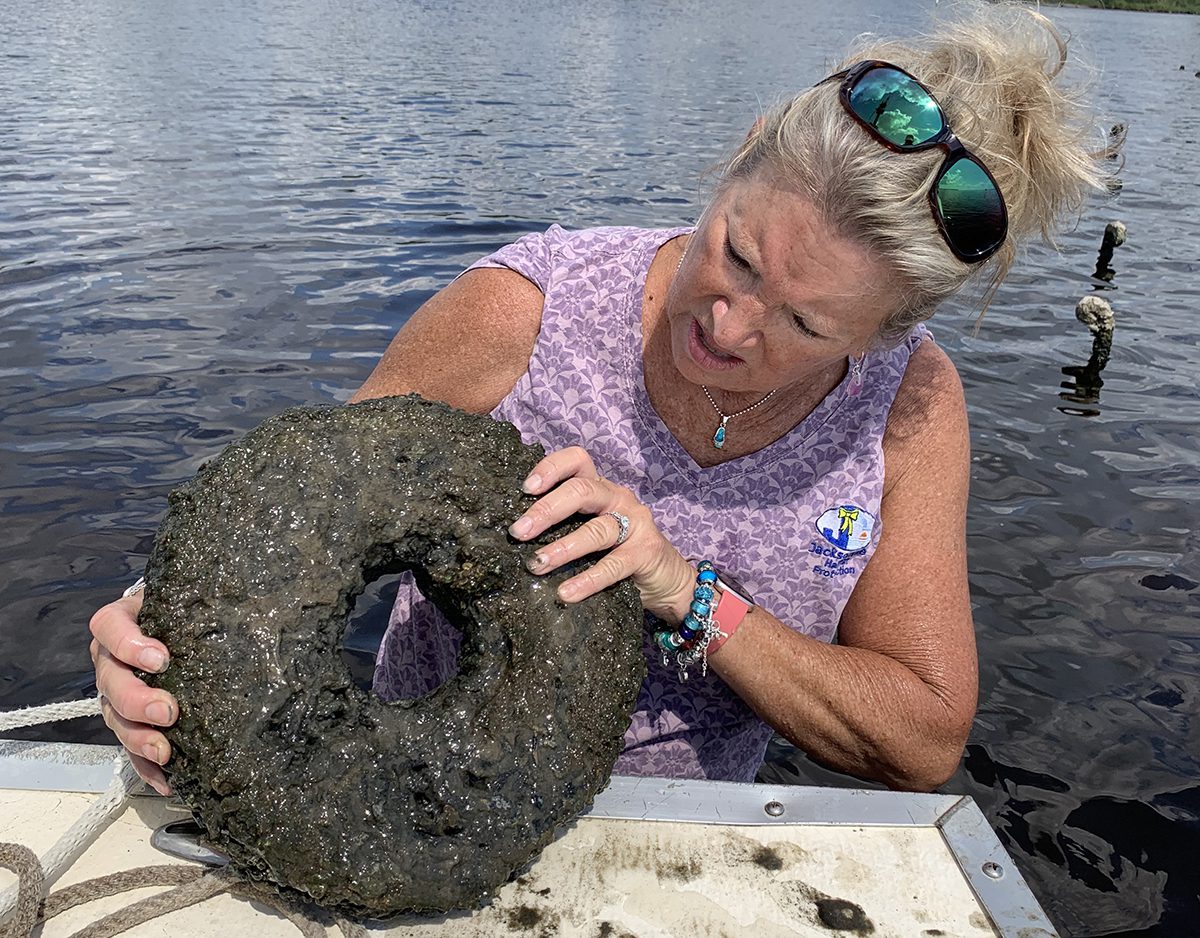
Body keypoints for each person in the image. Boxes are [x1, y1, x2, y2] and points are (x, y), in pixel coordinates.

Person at [89, 5, 1110, 797]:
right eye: (736, 252)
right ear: (740, 156)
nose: (731, 326)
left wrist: (682, 589)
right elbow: (293, 524)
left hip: (686, 845)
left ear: (886, 332)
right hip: (410, 785)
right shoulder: (524, 310)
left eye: (804, 326)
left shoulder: (908, 401)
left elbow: (922, 736)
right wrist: (152, 635)